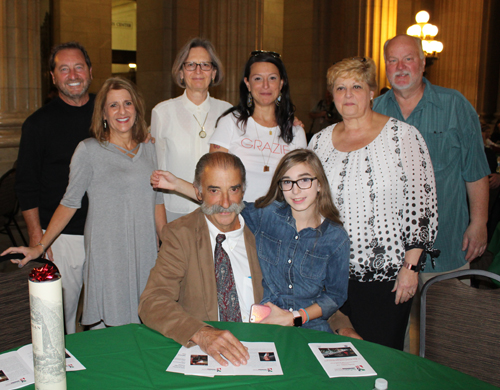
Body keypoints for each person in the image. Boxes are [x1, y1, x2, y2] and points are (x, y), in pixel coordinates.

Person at [4, 77, 166, 329]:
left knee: (148, 325)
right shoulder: (88, 151)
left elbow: (157, 201)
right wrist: (39, 246)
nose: (122, 111)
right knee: (111, 334)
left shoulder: (149, 150)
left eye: (127, 103)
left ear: (137, 108)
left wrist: (167, 244)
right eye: (113, 106)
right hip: (108, 254)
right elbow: (69, 203)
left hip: (144, 252)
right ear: (102, 112)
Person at [309, 57, 438, 349]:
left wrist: (411, 267)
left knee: (379, 357)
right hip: (332, 275)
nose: (348, 95)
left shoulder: (402, 137)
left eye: (356, 86)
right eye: (340, 88)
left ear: (371, 92)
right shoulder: (318, 142)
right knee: (335, 357)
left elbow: (422, 208)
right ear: (332, 96)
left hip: (386, 277)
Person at [150, 149, 350, 333]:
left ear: (320, 184)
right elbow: (226, 204)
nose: (296, 190)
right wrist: (177, 185)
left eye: (304, 180)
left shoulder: (335, 237)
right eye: (288, 182)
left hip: (303, 327)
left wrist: (295, 318)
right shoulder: (267, 217)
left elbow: (334, 296)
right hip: (265, 330)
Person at [373, 35, 490, 284]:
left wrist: (479, 222)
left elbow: (475, 170)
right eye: (393, 60)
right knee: (392, 324)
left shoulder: (455, 106)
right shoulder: (374, 111)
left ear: (423, 63)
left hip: (446, 245)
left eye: (408, 59)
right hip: (389, 251)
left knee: (446, 322)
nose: (400, 67)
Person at [139, 152, 263, 368]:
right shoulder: (181, 234)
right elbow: (152, 301)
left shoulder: (263, 233)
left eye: (233, 189)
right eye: (214, 190)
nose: (225, 203)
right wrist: (201, 333)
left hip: (260, 348)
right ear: (198, 191)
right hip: (207, 356)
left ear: (243, 190)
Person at [15, 41, 94, 334]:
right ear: (53, 76)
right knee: (61, 316)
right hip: (62, 237)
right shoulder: (38, 124)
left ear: (90, 71)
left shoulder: (110, 111)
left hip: (106, 232)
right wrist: (40, 238)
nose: (72, 75)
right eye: (64, 69)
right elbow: (26, 184)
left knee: (104, 315)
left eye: (78, 67)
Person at [151, 37, 232, 222]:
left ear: (213, 73)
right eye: (190, 65)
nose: (198, 71)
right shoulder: (162, 112)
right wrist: (159, 227)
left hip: (217, 212)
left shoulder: (228, 112)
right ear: (180, 72)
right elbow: (156, 171)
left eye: (205, 65)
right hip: (175, 213)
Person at [210, 50, 307, 202]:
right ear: (248, 84)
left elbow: (302, 185)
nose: (265, 85)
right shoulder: (230, 123)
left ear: (281, 84)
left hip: (280, 217)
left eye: (272, 78)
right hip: (237, 215)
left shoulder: (295, 131)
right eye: (258, 78)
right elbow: (213, 176)